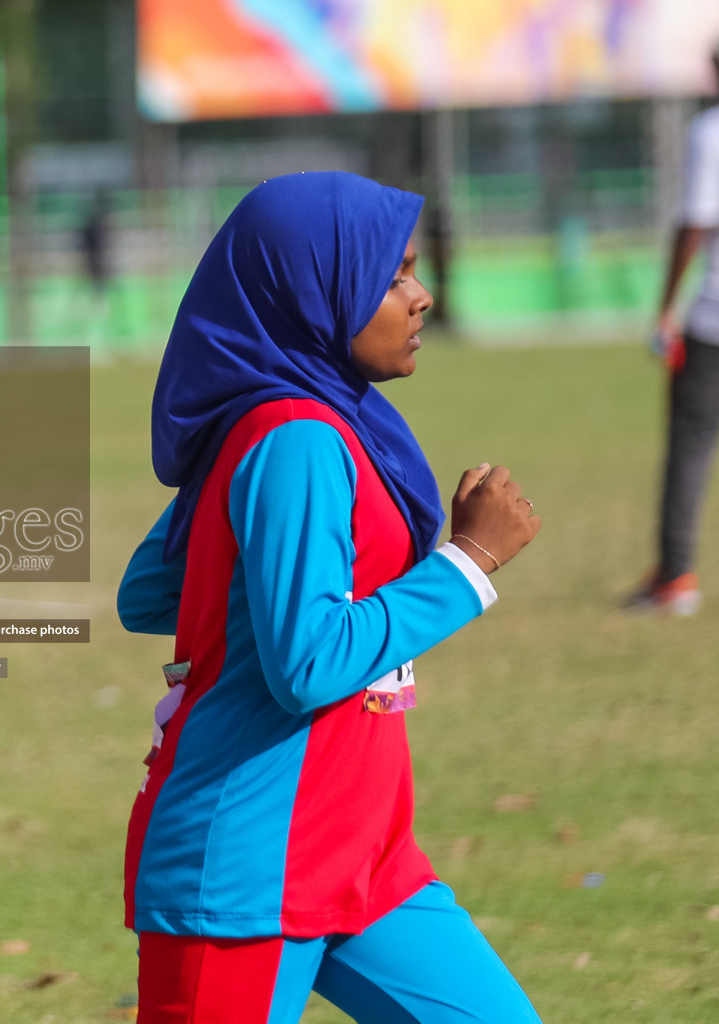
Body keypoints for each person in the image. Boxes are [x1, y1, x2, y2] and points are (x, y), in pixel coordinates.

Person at [120, 172, 542, 1023]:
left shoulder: (301, 422)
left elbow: (152, 589)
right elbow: (307, 662)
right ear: (314, 288)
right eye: (392, 277)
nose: (420, 298)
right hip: (245, 874)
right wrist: (468, 561)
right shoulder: (295, 438)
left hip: (367, 860)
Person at [634, 44, 719, 615]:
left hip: (713, 320)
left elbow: (696, 219)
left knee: (689, 448)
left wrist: (666, 306)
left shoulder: (709, 130)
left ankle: (675, 575)